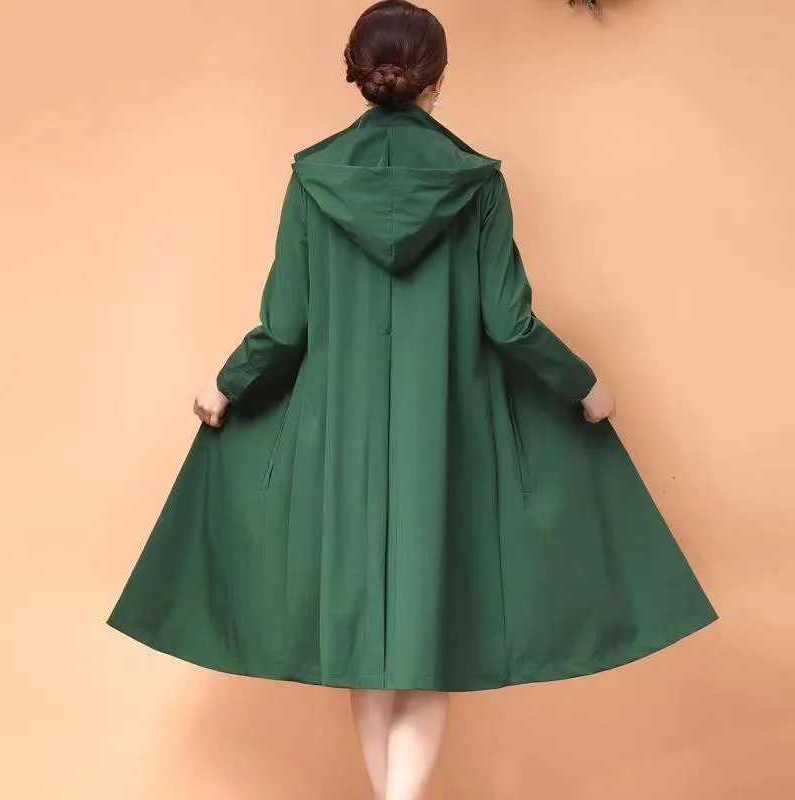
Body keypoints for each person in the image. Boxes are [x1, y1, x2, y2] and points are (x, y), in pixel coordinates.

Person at [108, 2, 718, 799]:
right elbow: (509, 321)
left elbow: (285, 328)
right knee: (427, 642)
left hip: (339, 449)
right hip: (445, 446)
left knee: (366, 649)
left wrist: (226, 385)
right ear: (438, 78)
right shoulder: (478, 183)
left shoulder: (313, 180)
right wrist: (584, 386)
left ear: (356, 72)